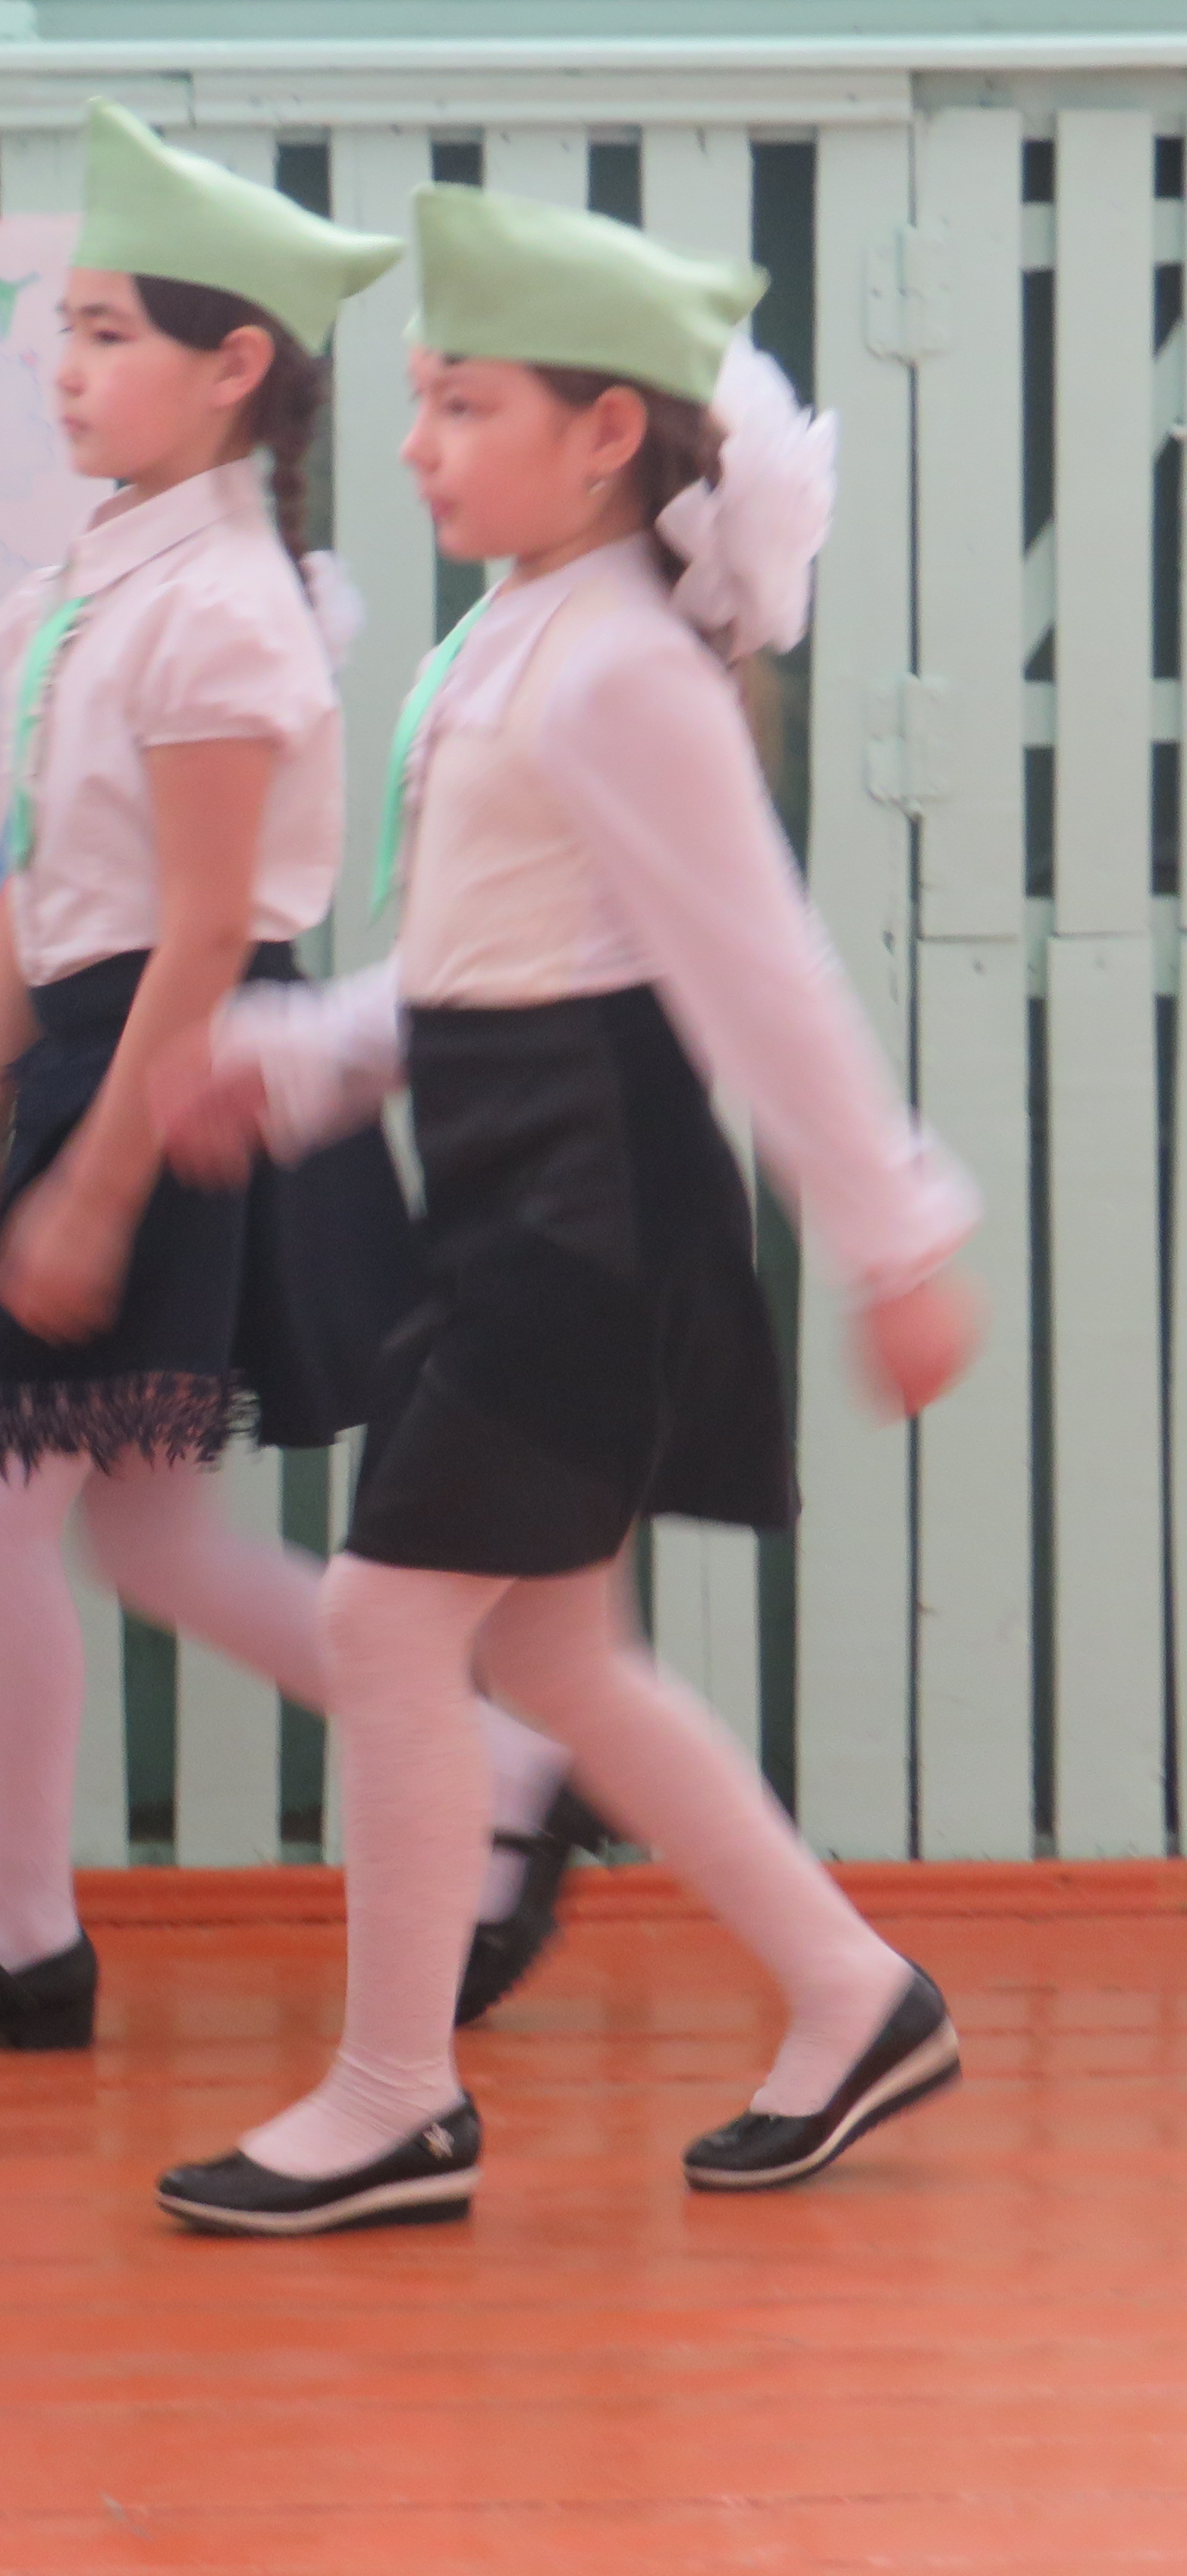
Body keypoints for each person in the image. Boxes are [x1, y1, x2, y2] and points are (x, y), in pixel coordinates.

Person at [151, 185, 981, 2238]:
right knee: (557, 1657)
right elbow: (494, 961)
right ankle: (853, 1994)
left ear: (607, 434)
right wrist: (315, 1052)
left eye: (466, 404)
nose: (419, 443)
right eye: (422, 400)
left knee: (385, 1619)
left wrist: (897, 1239)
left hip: (589, 1221)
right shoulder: (521, 635)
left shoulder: (621, 670)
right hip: (524, 1188)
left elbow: (758, 974)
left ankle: (396, 2098)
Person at [0, 103, 570, 2059]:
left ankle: (19, 1927)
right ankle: (495, 1770)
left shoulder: (224, 609)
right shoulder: (85, 589)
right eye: (64, 327)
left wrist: (98, 1182)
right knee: (140, 1530)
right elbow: (40, 889)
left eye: (111, 332)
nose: (68, 366)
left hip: (175, 1079)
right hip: (92, 1061)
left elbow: (207, 936)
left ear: (234, 368)